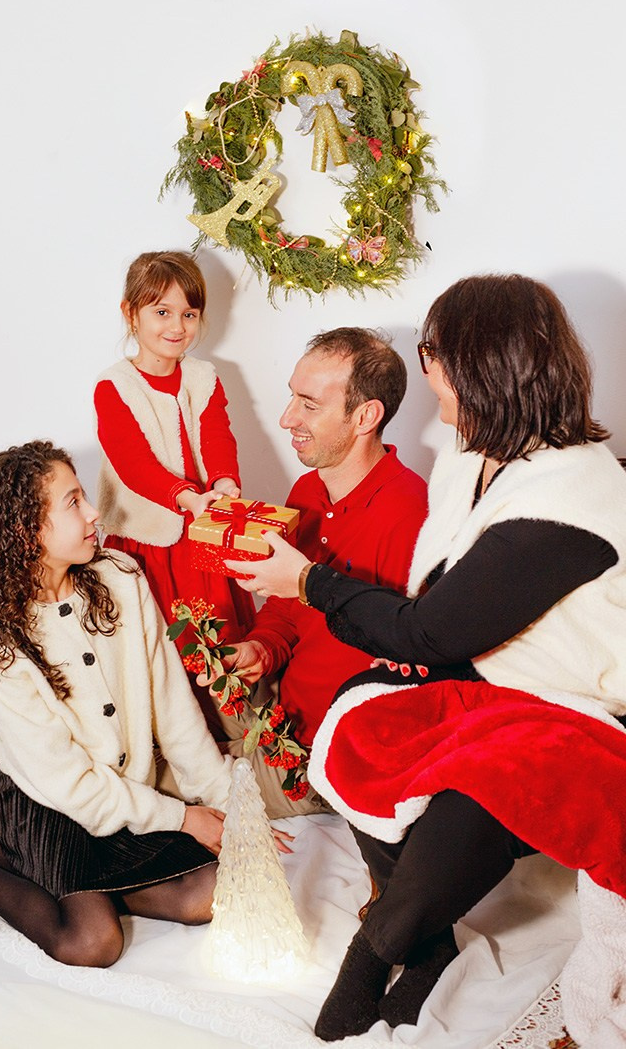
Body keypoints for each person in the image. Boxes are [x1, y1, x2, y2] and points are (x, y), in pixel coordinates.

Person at [227, 275, 626, 1039]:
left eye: (436, 354)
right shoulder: (474, 458)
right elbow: (438, 608)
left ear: (483, 366)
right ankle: (429, 939)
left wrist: (308, 581)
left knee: (482, 780)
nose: (427, 369)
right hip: (495, 677)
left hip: (584, 704)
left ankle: (374, 953)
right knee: (361, 721)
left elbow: (429, 631)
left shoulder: (569, 499)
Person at [0, 440, 261, 967]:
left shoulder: (122, 578)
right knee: (91, 942)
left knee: (209, 894)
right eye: (74, 502)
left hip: (122, 798)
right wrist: (183, 819)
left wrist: (229, 809)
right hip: (45, 804)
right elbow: (67, 783)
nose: (94, 512)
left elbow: (174, 709)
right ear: (26, 529)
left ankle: (26, 868)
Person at [214, 328, 427, 818]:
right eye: (292, 396)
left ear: (365, 417)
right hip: (277, 711)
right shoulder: (308, 492)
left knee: (162, 784)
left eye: (309, 405)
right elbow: (287, 607)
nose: (287, 418)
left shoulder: (409, 514)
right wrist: (261, 647)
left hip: (322, 759)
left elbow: (405, 658)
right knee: (154, 728)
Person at [94, 251, 256, 738]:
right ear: (131, 313)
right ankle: (170, 733)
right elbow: (134, 463)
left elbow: (218, 434)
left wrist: (224, 482)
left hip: (201, 529)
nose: (177, 326)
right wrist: (184, 496)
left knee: (217, 628)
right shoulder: (115, 387)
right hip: (148, 538)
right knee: (161, 639)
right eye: (161, 312)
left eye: (189, 313)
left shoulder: (204, 376)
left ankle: (228, 728)